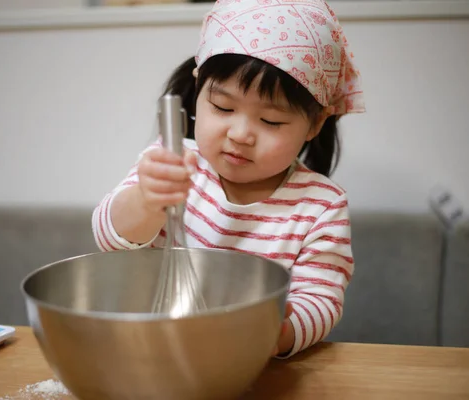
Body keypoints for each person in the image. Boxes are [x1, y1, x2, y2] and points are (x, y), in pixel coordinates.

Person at [92, 0, 365, 359]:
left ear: (315, 124)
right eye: (223, 108)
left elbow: (321, 298)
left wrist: (282, 331)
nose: (240, 134)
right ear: (199, 87)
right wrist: (145, 201)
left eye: (270, 121)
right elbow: (111, 240)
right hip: (153, 353)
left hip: (247, 366)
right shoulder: (172, 162)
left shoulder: (320, 206)